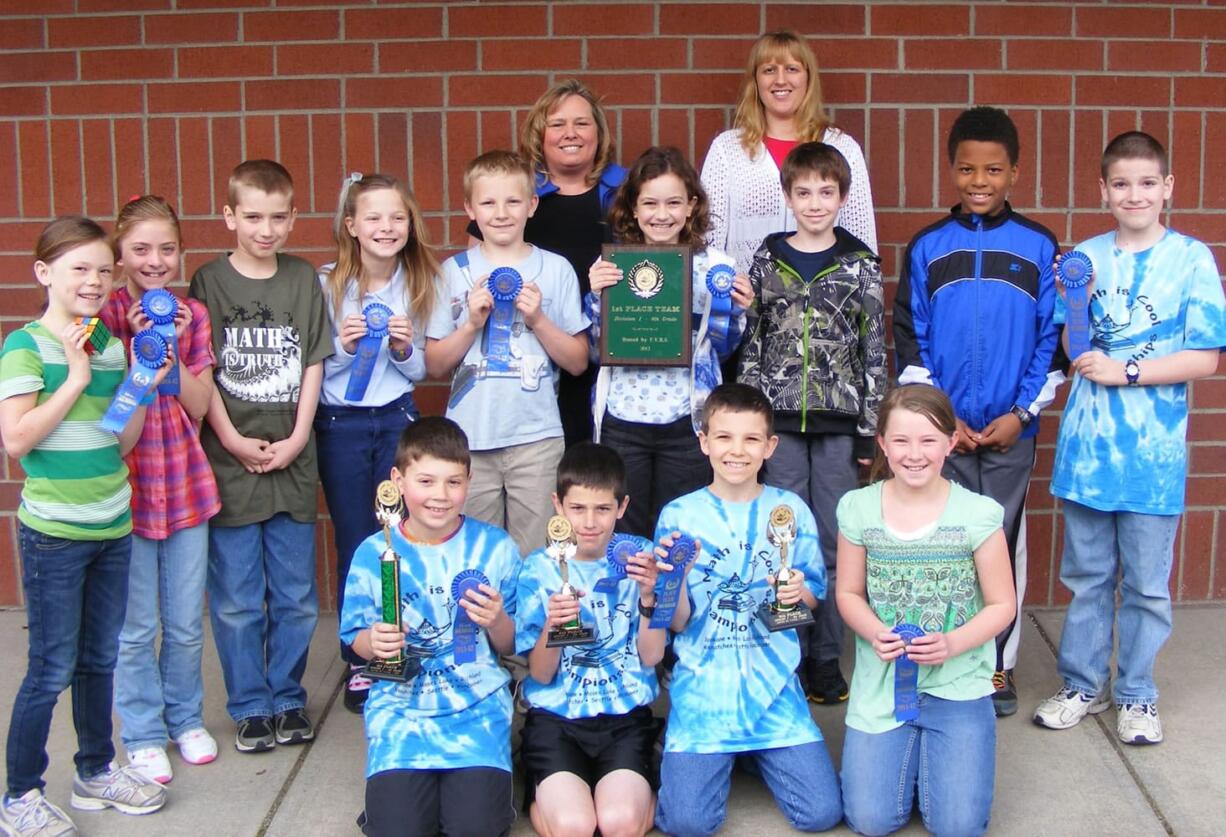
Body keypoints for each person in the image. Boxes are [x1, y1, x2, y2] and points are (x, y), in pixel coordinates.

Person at [1033, 132, 1226, 745]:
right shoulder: (1084, 258)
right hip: (1089, 449)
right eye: (1121, 183)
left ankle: (1137, 693)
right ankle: (1083, 684)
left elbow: (1205, 359)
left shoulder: (1192, 259)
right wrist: (1085, 340)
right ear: (1103, 190)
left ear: (1168, 187)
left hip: (1154, 454)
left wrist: (1129, 370)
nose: (1134, 194)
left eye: (1147, 182)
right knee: (1088, 576)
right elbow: (1073, 344)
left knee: (1145, 582)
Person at [1, 217, 169, 835]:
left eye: (104, 270)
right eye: (80, 269)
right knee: (50, 665)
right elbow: (17, 440)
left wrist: (141, 387)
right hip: (54, 534)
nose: (95, 281)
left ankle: (95, 770)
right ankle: (20, 794)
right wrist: (73, 376)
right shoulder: (24, 346)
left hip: (111, 524)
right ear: (45, 273)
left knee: (99, 659)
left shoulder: (112, 345)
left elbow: (117, 440)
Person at [892, 106, 1062, 717]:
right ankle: (944, 656)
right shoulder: (929, 246)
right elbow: (911, 337)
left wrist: (1022, 411)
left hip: (1012, 431)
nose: (979, 180)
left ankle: (997, 669)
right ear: (952, 170)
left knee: (1001, 543)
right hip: (948, 438)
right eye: (967, 169)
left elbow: (1054, 340)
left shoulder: (1040, 246)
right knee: (945, 545)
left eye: (993, 168)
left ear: (1015, 172)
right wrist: (940, 422)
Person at [653, 384, 842, 837]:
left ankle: (753, 753)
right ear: (703, 441)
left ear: (770, 446)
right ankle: (695, 751)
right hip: (705, 696)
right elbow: (673, 621)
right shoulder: (678, 515)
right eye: (724, 437)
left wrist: (797, 592)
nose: (736, 451)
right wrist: (673, 582)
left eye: (751, 439)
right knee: (688, 823)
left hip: (774, 691)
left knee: (821, 813)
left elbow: (813, 595)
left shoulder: (790, 509)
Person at [189, 159, 332, 753]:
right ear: (229, 217)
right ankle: (249, 703)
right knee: (238, 597)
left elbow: (313, 362)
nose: (266, 229)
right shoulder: (208, 282)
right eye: (252, 217)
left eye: (278, 217)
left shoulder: (301, 279)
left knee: (296, 594)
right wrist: (228, 437)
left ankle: (287, 695)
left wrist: (299, 437)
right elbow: (202, 366)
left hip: (293, 458)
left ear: (294, 216)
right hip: (232, 459)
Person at [739, 141, 885, 704]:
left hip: (838, 424)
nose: (816, 202)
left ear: (843, 198)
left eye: (827, 192)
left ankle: (824, 657)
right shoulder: (767, 258)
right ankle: (785, 653)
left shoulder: (859, 263)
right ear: (787, 196)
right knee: (782, 539)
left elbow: (873, 350)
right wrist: (753, 420)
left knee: (831, 539)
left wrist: (871, 429)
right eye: (804, 192)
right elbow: (752, 343)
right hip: (777, 420)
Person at [836, 385, 1015, 837]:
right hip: (883, 684)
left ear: (951, 442)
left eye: (929, 440)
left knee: (957, 826)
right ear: (881, 443)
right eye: (901, 441)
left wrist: (953, 642)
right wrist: (874, 631)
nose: (914, 454)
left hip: (957, 684)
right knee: (871, 820)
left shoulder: (978, 513)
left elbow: (1002, 604)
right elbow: (849, 593)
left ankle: (942, 757)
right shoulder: (858, 508)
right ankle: (906, 757)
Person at [340, 417, 520, 837]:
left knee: (475, 828)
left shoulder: (495, 548)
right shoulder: (373, 553)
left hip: (477, 709)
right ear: (397, 481)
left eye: (453, 482)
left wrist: (497, 621)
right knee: (399, 829)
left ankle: (495, 777)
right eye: (426, 481)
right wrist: (374, 641)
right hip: (400, 712)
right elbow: (353, 642)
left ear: (469, 482)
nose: (440, 496)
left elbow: (514, 644)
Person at [100, 196, 221, 783]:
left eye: (167, 249)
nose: (155, 261)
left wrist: (168, 353)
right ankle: (143, 731)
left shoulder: (191, 314)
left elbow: (199, 404)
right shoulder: (103, 317)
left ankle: (185, 718)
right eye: (141, 250)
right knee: (136, 625)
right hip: (128, 488)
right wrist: (136, 361)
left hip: (185, 483)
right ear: (120, 254)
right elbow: (115, 432)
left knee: (184, 620)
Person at [316, 172, 440, 714]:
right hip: (341, 424)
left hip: (395, 420)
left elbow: (418, 370)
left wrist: (403, 346)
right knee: (355, 539)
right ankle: (359, 657)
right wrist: (343, 349)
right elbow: (318, 367)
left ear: (410, 224)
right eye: (373, 217)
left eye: (397, 217)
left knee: (401, 537)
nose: (386, 227)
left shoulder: (419, 283)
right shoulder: (327, 284)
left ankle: (404, 642)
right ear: (351, 226)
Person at [426, 150, 589, 556]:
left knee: (536, 555)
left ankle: (530, 623)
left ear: (532, 205)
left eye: (513, 201)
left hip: (536, 439)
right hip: (469, 440)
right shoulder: (452, 272)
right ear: (469, 209)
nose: (501, 213)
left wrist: (539, 320)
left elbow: (577, 361)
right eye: (488, 202)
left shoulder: (556, 269)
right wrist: (470, 324)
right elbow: (434, 364)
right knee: (475, 556)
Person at [587, 146, 752, 538]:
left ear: (692, 206)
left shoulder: (718, 268)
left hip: (687, 420)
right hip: (623, 417)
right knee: (624, 533)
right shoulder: (612, 266)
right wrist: (596, 299)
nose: (662, 215)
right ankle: (632, 602)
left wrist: (737, 310)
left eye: (674, 202)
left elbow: (724, 349)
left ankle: (676, 602)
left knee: (682, 532)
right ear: (633, 207)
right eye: (651, 203)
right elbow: (595, 349)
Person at [515, 442, 666, 837]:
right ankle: (540, 788)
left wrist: (650, 599)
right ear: (558, 506)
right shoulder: (538, 570)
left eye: (602, 509)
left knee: (618, 822)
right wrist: (553, 624)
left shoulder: (641, 559)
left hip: (624, 720)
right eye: (578, 508)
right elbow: (541, 675)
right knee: (575, 826)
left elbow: (652, 657)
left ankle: (641, 778)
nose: (590, 522)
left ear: (622, 506)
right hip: (557, 719)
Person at [468, 79, 628, 446]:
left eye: (582, 123)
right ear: (540, 135)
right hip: (531, 358)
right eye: (557, 124)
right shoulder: (516, 196)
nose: (569, 133)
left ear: (599, 133)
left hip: (612, 355)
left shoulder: (626, 194)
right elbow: (477, 272)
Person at [701, 30, 877, 275]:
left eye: (792, 69)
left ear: (808, 78)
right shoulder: (727, 150)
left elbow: (861, 239)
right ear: (756, 81)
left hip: (825, 306)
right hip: (745, 306)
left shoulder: (842, 147)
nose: (780, 80)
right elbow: (709, 240)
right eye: (769, 70)